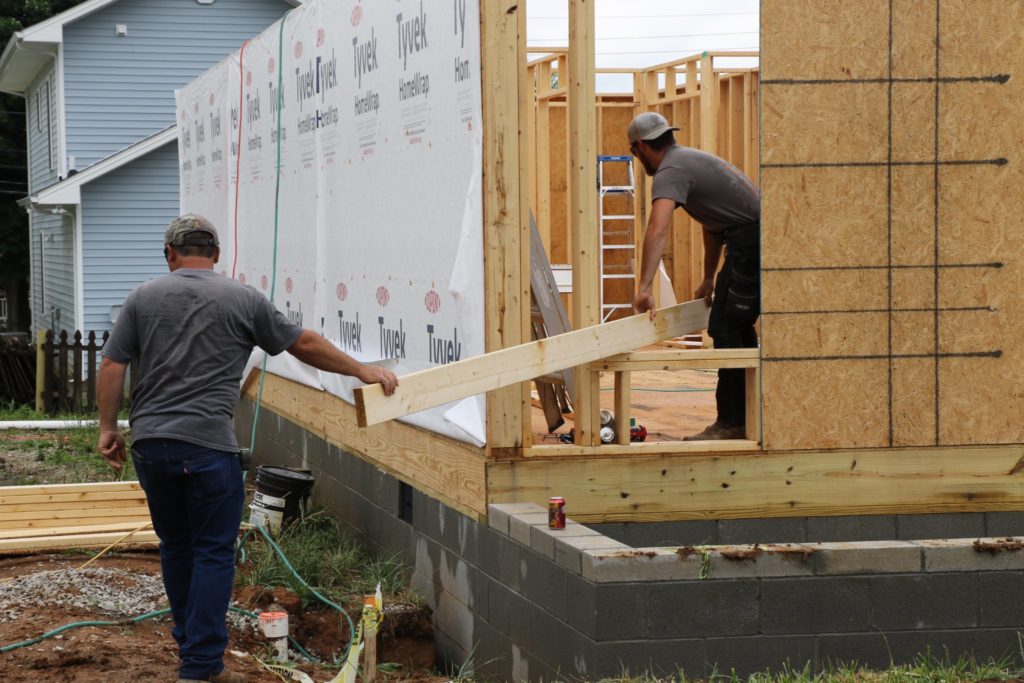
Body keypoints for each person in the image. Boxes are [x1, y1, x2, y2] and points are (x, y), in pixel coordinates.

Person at [96, 214, 398, 683]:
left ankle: (190, 649)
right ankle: (200, 667)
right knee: (214, 552)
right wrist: (364, 371)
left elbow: (113, 363)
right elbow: (305, 344)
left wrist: (107, 428)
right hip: (208, 449)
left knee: (176, 548)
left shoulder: (143, 298)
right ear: (216, 255)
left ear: (171, 254)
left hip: (153, 446)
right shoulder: (242, 298)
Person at [627, 112, 760, 441]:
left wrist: (644, 288)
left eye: (635, 152)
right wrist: (709, 277)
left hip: (750, 242)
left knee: (726, 326)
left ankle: (732, 423)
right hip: (750, 240)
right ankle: (751, 416)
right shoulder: (688, 160)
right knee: (737, 325)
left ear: (641, 147)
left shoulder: (670, 171)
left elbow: (658, 229)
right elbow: (715, 226)